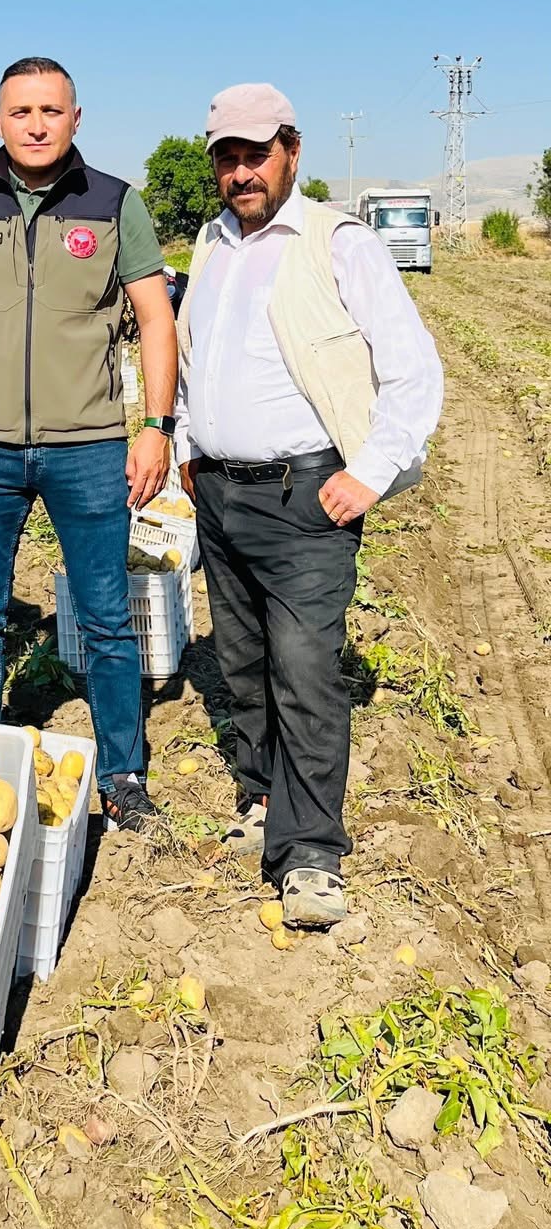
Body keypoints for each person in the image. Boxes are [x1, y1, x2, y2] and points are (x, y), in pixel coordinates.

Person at [175, 82, 444, 924]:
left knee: (304, 671)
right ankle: (263, 797)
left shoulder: (338, 243)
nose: (242, 173)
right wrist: (187, 443)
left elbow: (413, 368)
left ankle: (312, 852)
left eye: (257, 154)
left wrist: (371, 470)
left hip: (306, 499)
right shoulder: (211, 244)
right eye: (227, 158)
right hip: (221, 493)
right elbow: (193, 359)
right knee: (243, 663)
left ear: (292, 151)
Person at [0, 56, 179, 830]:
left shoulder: (114, 203)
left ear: (75, 118)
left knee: (106, 618)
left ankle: (122, 774)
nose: (35, 125)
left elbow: (155, 318)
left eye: (51, 111)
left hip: (87, 446)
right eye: (20, 112)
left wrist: (155, 427)